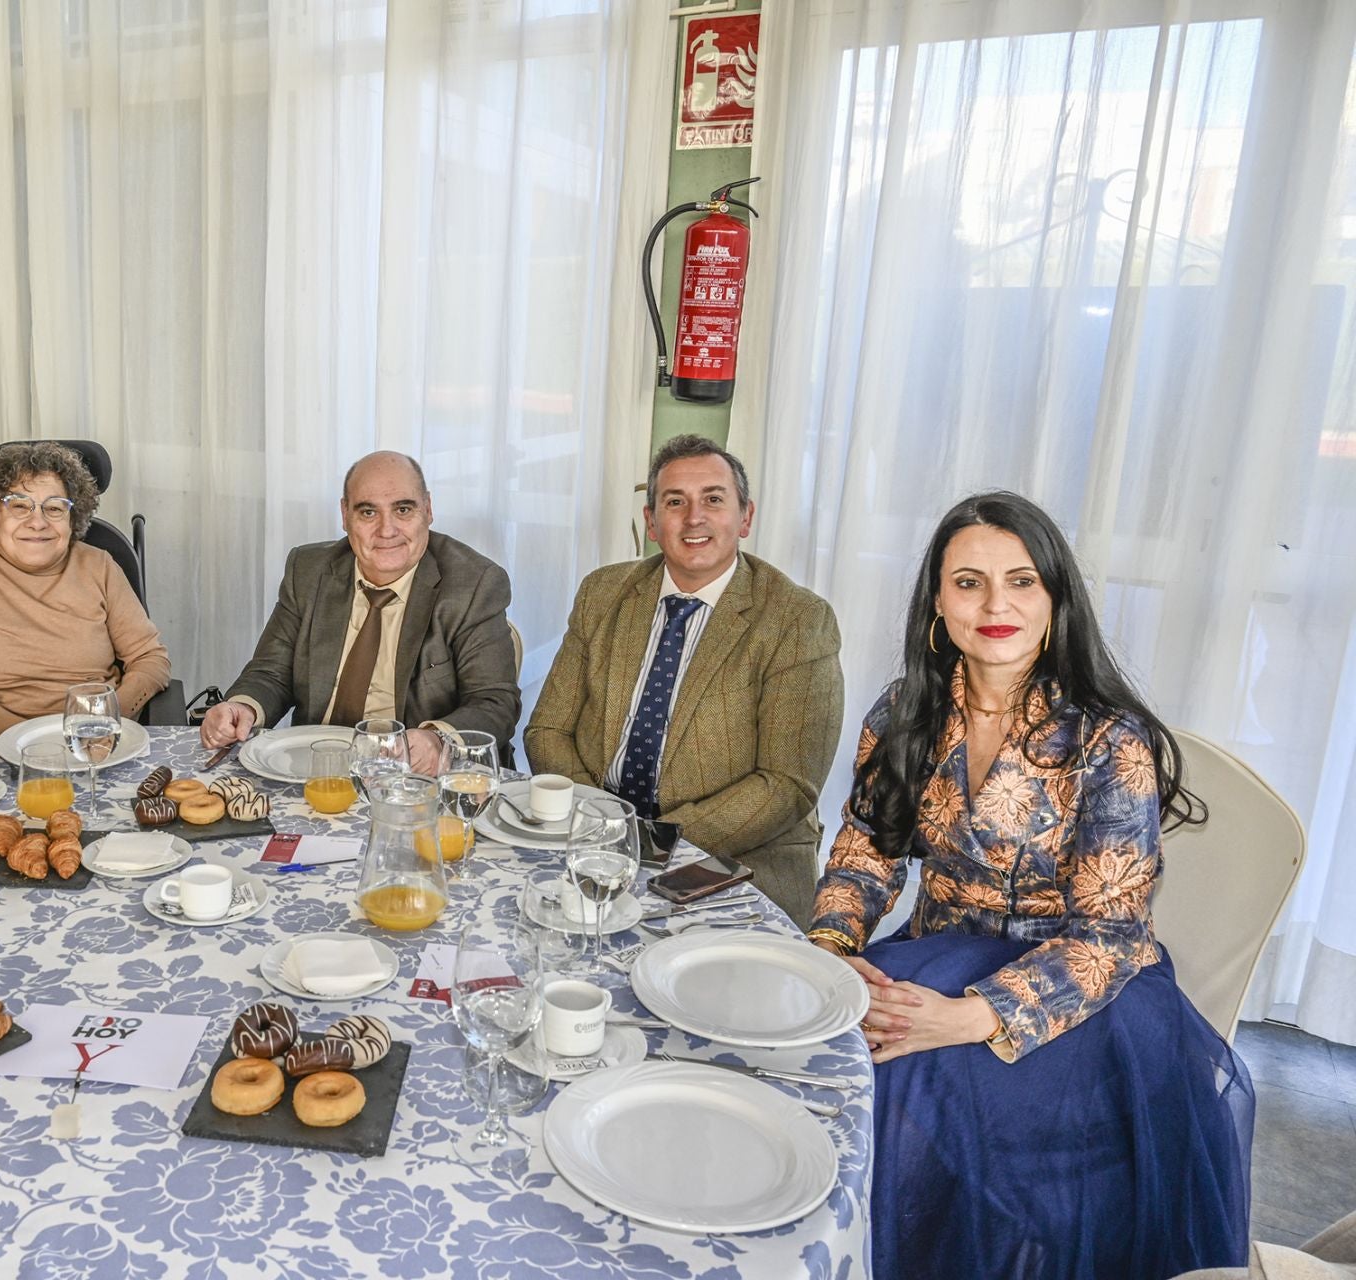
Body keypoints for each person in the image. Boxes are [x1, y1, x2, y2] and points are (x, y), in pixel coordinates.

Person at [807, 491, 1251, 1279]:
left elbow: (1111, 939)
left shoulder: (1109, 740)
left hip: (1082, 1001)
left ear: (1055, 600)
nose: (996, 604)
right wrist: (832, 948)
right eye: (969, 582)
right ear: (938, 604)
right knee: (825, 1040)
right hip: (938, 952)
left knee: (917, 1080)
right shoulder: (906, 711)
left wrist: (973, 1016)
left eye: (1021, 581)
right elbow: (868, 849)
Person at [525, 435, 843, 923]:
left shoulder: (797, 620)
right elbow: (547, 729)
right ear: (652, 523)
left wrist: (648, 841)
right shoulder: (604, 592)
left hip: (734, 857)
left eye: (713, 499)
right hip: (592, 840)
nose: (694, 518)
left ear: (746, 517)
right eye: (675, 502)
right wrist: (600, 824)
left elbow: (787, 785)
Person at [198, 451, 519, 773]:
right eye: (368, 512)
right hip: (315, 768)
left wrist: (437, 739)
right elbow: (271, 672)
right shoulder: (309, 570)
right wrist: (242, 707)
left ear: (428, 510)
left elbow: (494, 701)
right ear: (345, 514)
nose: (387, 530)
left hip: (414, 777)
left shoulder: (475, 584)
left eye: (403, 509)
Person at [0, 442, 171, 737]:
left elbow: (151, 659)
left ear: (72, 520)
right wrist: (27, 739)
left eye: (54, 508)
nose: (38, 522)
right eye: (20, 505)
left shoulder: (98, 565)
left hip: (95, 740)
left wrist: (105, 720)